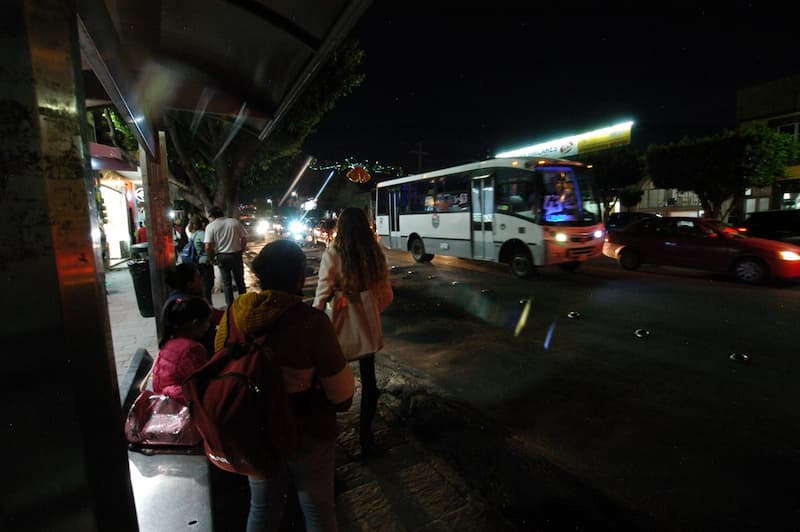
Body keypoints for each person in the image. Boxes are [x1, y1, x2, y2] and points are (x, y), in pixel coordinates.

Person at [217, 239, 354, 532]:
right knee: (317, 510)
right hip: (304, 430)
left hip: (253, 427)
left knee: (263, 507)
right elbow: (342, 395)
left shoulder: (233, 315)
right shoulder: (311, 322)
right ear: (299, 277)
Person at [312, 207, 393, 457]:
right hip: (366, 322)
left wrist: (315, 319)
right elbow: (386, 293)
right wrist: (370, 305)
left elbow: (322, 292)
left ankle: (328, 443)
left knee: (327, 380)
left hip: (339, 321)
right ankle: (366, 439)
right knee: (370, 382)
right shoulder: (374, 252)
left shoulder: (334, 252)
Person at [152, 296, 213, 401]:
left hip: (162, 401)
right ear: (196, 323)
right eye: (208, 321)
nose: (208, 326)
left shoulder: (168, 343)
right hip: (181, 405)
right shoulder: (192, 349)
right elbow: (202, 385)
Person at [163, 262, 223, 353]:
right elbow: (217, 316)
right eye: (198, 277)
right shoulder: (192, 304)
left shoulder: (173, 299)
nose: (202, 279)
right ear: (189, 284)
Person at [204, 206, 249, 308]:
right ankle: (244, 304)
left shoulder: (211, 226)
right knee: (240, 281)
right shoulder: (234, 222)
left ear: (212, 216)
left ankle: (230, 307)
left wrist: (211, 259)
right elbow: (244, 238)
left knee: (226, 283)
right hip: (236, 255)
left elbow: (207, 246)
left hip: (222, 256)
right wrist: (241, 249)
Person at [188, 215, 214, 303]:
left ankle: (205, 304)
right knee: (208, 285)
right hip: (205, 262)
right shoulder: (202, 234)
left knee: (202, 285)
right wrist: (212, 258)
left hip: (198, 262)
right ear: (201, 224)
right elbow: (208, 246)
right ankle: (209, 305)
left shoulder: (193, 234)